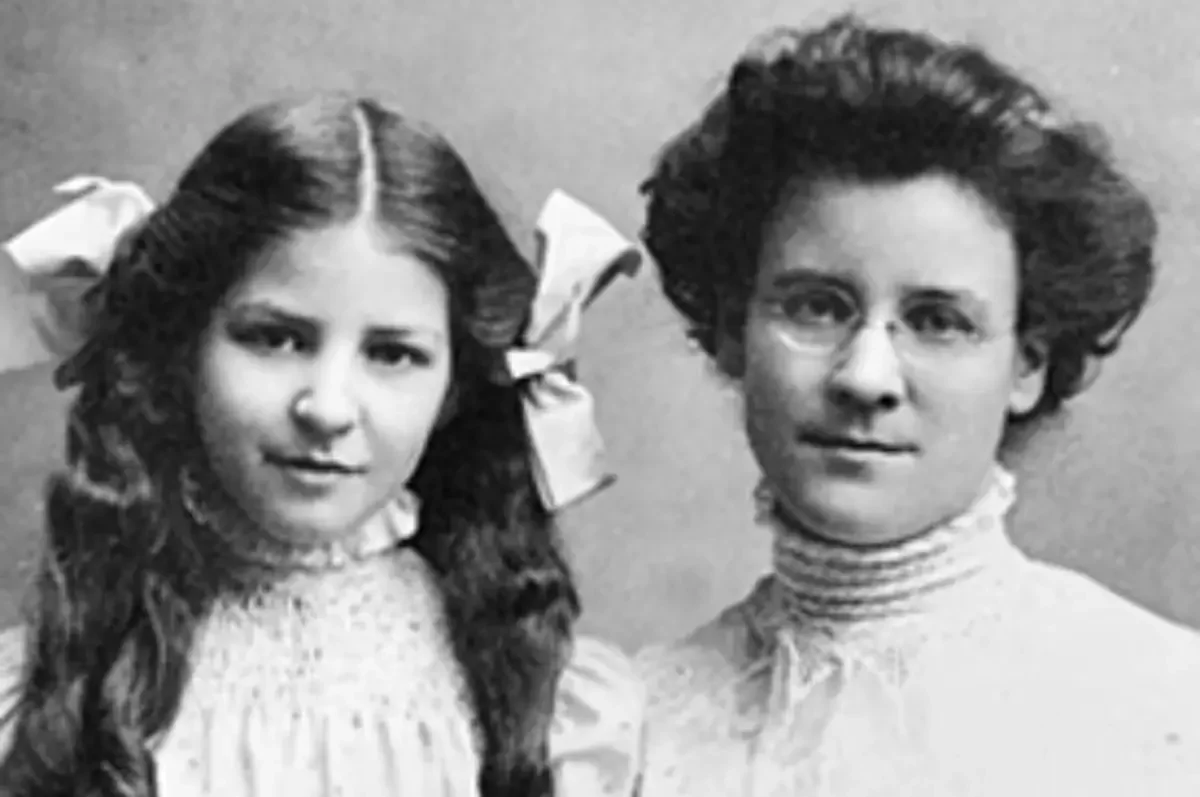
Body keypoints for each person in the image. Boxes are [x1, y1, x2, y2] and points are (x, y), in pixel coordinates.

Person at [0, 93, 644, 797]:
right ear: (183, 350)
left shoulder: (552, 710)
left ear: (457, 383)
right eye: (275, 338)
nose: (328, 407)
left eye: (393, 353)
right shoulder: (46, 699)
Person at [633, 13, 1200, 796]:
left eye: (939, 322)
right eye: (816, 307)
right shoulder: (632, 732)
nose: (866, 378)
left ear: (1027, 362)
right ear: (735, 329)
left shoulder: (1165, 710)